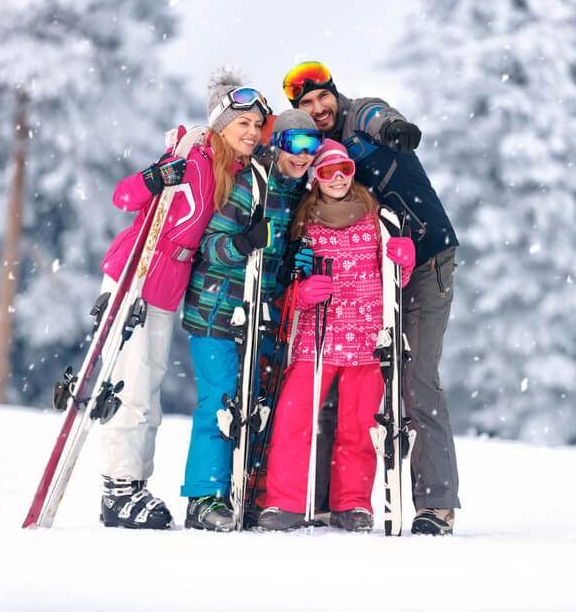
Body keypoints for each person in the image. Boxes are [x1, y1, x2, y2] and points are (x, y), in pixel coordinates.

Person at [281, 61, 461, 535]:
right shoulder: (317, 152)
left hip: (422, 262)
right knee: (350, 381)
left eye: (323, 98)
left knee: (413, 376)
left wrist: (396, 130)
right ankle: (333, 499)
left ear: (336, 95)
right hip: (370, 277)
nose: (319, 109)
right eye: (306, 104)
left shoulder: (360, 119)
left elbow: (378, 114)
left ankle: (436, 504)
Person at [96, 71, 253, 529]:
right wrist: (156, 175)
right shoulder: (189, 155)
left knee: (150, 388)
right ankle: (118, 488)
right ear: (221, 123)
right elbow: (124, 197)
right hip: (137, 273)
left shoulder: (236, 170)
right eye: (240, 122)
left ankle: (134, 486)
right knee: (131, 383)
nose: (250, 132)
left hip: (171, 286)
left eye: (255, 125)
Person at [257, 140, 416, 532]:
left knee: (359, 426)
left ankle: (353, 504)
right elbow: (290, 282)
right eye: (328, 171)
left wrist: (403, 262)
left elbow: (392, 279)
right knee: (294, 419)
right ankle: (285, 502)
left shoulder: (374, 217)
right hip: (316, 336)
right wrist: (301, 293)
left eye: (344, 168)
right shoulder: (305, 222)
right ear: (316, 178)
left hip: (365, 337)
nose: (339, 178)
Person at [179, 107, 322, 531]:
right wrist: (243, 241)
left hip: (259, 315)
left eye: (310, 147)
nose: (302, 155)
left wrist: (291, 265)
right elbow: (212, 246)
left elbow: (276, 263)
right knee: (221, 400)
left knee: (255, 403)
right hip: (216, 311)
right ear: (278, 144)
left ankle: (242, 491)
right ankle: (203, 498)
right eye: (295, 144)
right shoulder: (249, 185)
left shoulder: (298, 194)